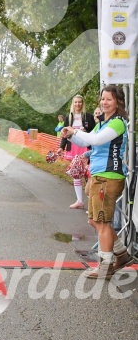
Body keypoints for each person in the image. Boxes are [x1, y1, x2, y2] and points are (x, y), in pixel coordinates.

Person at [61, 84, 133, 279]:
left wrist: (74, 131)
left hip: (109, 177)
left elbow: (98, 140)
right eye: (102, 99)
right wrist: (71, 135)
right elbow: (87, 141)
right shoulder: (103, 122)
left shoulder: (118, 122)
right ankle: (121, 253)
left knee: (102, 223)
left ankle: (105, 267)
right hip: (99, 175)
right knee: (95, 220)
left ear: (118, 102)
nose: (104, 102)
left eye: (109, 99)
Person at [58, 94, 95, 209]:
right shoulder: (68, 117)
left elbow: (94, 132)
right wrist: (61, 147)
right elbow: (65, 134)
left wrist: (85, 131)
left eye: (80, 102)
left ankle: (92, 203)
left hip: (86, 148)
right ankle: (79, 200)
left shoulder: (88, 117)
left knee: (88, 174)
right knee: (76, 173)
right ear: (73, 104)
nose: (78, 104)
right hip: (73, 147)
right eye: (75, 102)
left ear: (82, 103)